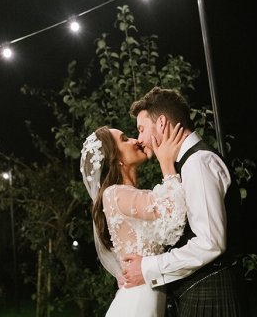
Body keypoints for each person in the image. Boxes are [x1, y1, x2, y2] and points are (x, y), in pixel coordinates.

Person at [122, 87, 250, 317]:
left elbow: (210, 243)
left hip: (212, 294)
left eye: (141, 129)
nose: (139, 139)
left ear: (161, 123)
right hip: (199, 292)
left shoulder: (198, 163)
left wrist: (148, 267)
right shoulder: (188, 163)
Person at [80, 123, 188, 317]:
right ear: (116, 158)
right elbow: (174, 213)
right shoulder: (114, 194)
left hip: (148, 294)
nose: (136, 140)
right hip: (140, 301)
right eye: (124, 140)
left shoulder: (129, 195)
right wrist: (166, 163)